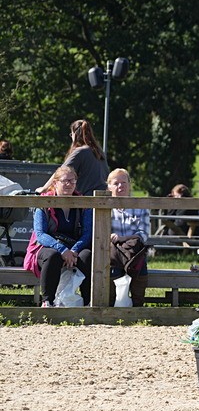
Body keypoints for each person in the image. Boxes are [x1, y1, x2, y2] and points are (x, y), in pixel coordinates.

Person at [25, 166, 92, 306]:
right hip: (47, 245)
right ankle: (47, 301)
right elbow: (40, 234)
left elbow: (87, 233)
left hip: (74, 245)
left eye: (72, 181)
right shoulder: (43, 203)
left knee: (86, 256)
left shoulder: (83, 203)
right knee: (52, 256)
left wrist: (74, 250)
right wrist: (62, 249)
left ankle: (88, 302)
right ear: (55, 183)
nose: (69, 184)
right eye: (65, 181)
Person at [106, 168, 150, 306]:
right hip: (113, 252)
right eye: (116, 183)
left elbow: (143, 234)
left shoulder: (141, 206)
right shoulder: (104, 207)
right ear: (109, 186)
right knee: (112, 266)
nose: (121, 186)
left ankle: (137, 307)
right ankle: (111, 305)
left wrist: (121, 239)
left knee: (140, 265)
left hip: (134, 250)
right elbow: (101, 234)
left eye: (124, 182)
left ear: (129, 184)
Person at [63, 119, 110, 195]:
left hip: (86, 201)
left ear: (75, 134)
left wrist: (43, 189)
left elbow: (61, 173)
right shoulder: (99, 152)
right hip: (103, 198)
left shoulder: (80, 151)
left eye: (71, 135)